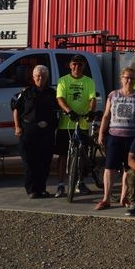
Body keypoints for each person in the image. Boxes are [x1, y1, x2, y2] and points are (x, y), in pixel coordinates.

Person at [94, 67, 135, 210]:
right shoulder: (113, 95)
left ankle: (124, 197)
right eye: (126, 78)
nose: (129, 80)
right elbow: (106, 115)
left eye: (132, 78)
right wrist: (101, 133)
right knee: (109, 168)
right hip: (114, 137)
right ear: (121, 78)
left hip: (133, 138)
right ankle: (106, 198)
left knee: (128, 169)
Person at [11, 65, 59, 199]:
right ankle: (32, 190)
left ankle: (42, 188)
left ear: (47, 77)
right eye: (37, 76)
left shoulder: (52, 93)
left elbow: (58, 110)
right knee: (30, 162)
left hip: (46, 132)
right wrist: (17, 127)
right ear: (33, 77)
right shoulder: (26, 93)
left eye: (43, 76)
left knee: (44, 162)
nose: (40, 78)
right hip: (29, 131)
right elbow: (16, 109)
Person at [54, 54, 97, 197]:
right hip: (66, 124)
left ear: (84, 66)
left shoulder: (89, 81)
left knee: (81, 155)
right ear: (70, 65)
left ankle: (80, 182)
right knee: (62, 155)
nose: (77, 67)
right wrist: (69, 111)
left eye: (80, 64)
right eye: (74, 64)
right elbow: (60, 98)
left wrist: (91, 111)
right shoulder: (63, 80)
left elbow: (92, 98)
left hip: (82, 123)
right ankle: (60, 185)